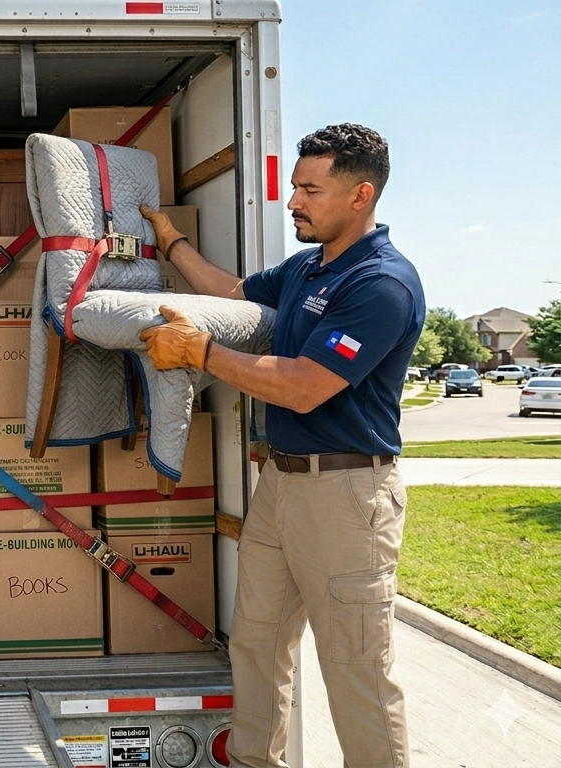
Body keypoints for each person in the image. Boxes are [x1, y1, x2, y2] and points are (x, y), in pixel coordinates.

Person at [139, 123, 423, 768]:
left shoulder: (381, 284)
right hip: (283, 487)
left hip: (347, 496)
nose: (293, 201)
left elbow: (302, 387)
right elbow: (233, 293)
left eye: (309, 190)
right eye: (294, 187)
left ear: (361, 195)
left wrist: (200, 352)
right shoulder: (306, 267)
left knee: (357, 669)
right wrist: (171, 241)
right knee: (258, 644)